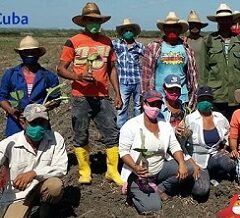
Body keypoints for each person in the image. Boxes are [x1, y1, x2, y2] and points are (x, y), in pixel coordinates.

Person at [57, 2, 124, 186]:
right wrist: (77, 76)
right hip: (81, 97)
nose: (94, 23)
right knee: (81, 134)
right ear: (84, 21)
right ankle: (85, 171)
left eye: (97, 20)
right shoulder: (73, 41)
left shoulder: (106, 41)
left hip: (102, 96)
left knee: (111, 132)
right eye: (90, 20)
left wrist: (117, 92)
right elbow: (61, 69)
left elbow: (111, 68)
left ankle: (112, 171)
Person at [0, 104, 67, 218]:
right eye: (34, 122)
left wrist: (33, 173)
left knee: (55, 185)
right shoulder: (9, 144)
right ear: (23, 122)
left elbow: (61, 167)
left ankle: (45, 216)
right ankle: (22, 215)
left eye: (42, 122)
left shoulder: (56, 138)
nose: (39, 127)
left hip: (42, 186)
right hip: (19, 195)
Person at [119, 90, 191, 214]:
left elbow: (174, 146)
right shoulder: (131, 125)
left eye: (158, 104)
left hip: (158, 167)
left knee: (189, 168)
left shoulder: (165, 126)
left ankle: (159, 188)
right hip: (139, 173)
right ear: (144, 104)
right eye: (152, 104)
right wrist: (135, 167)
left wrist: (182, 163)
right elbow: (123, 152)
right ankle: (132, 190)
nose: (156, 108)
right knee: (153, 208)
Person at [0, 36, 60, 137]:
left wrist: (44, 108)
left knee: (41, 149)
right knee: (16, 149)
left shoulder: (49, 76)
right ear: (20, 54)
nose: (30, 55)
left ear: (38, 54)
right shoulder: (10, 74)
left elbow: (56, 98)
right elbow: (2, 97)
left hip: (40, 122)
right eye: (26, 52)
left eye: (33, 52)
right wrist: (11, 111)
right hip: (16, 122)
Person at [184, 86, 236, 197]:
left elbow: (230, 131)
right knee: (201, 190)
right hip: (197, 160)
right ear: (197, 100)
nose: (205, 102)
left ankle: (214, 174)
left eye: (208, 99)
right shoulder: (190, 119)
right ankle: (194, 180)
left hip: (214, 155)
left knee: (229, 163)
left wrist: (226, 146)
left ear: (212, 101)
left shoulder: (219, 117)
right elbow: (181, 139)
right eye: (202, 99)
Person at [204, 3, 240, 120]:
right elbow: (203, 70)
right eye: (221, 20)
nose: (224, 22)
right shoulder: (208, 41)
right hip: (216, 95)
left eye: (227, 19)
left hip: (236, 95)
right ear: (217, 21)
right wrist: (204, 94)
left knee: (236, 129)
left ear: (231, 20)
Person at [142, 12, 198, 108]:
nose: (172, 29)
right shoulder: (154, 47)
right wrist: (146, 98)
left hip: (182, 97)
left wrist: (193, 97)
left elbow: (193, 76)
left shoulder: (187, 49)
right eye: (168, 27)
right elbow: (146, 76)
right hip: (159, 98)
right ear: (164, 29)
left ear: (180, 29)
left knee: (181, 122)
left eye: (175, 27)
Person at [113, 18, 145, 128]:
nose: (128, 32)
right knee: (122, 106)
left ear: (134, 33)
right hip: (123, 82)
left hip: (137, 81)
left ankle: (137, 128)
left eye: (130, 30)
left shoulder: (139, 46)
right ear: (122, 32)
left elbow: (150, 55)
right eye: (125, 30)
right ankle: (122, 130)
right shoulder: (117, 44)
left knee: (138, 106)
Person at [186, 10, 208, 77]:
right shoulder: (183, 42)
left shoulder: (206, 41)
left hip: (203, 78)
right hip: (188, 78)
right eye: (192, 25)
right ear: (188, 26)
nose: (194, 27)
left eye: (197, 25)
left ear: (200, 26)